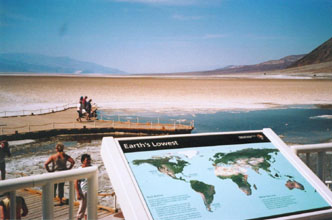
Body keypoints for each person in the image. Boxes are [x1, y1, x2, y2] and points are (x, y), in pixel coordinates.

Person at [75, 154, 92, 220]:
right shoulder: (80, 170)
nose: (89, 161)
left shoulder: (91, 168)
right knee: (81, 208)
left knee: (88, 209)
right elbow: (76, 181)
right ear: (83, 161)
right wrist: (78, 193)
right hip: (83, 191)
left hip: (90, 191)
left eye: (89, 159)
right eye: (87, 160)